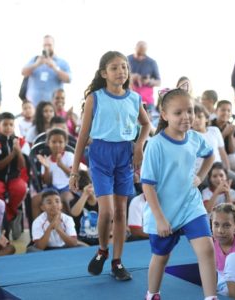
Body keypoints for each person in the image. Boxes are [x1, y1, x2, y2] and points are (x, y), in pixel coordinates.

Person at [69, 51, 151, 281]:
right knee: (106, 211)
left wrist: (139, 145)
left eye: (124, 67)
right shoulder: (95, 98)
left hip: (125, 154)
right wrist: (75, 170)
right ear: (104, 73)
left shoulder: (134, 98)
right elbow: (83, 136)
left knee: (120, 212)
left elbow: (146, 125)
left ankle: (117, 261)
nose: (120, 72)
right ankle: (102, 250)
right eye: (114, 68)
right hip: (101, 154)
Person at [140, 84, 217, 300]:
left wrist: (200, 176)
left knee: (207, 250)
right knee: (161, 257)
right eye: (178, 112)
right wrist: (160, 219)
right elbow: (147, 185)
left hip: (191, 206)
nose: (186, 117)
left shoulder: (195, 138)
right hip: (164, 212)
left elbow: (210, 155)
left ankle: (211, 297)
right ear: (164, 115)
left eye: (190, 110)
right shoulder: (155, 145)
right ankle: (152, 293)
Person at [0, 112, 27, 235]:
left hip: (14, 177)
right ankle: (11, 217)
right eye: (5, 124)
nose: (8, 127)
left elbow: (22, 166)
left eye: (11, 125)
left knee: (20, 188)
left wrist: (18, 152)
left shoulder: (20, 142)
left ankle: (9, 215)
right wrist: (12, 154)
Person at [21, 35, 71, 106]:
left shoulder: (61, 62)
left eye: (49, 45)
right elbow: (23, 72)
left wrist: (55, 68)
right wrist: (36, 64)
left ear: (54, 45)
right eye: (45, 45)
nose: (47, 47)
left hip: (52, 108)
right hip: (33, 106)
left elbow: (69, 79)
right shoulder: (35, 59)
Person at [37, 128, 75, 213]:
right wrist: (46, 168)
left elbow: (73, 176)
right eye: (54, 142)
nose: (57, 145)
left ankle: (71, 224)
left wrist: (61, 165)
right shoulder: (47, 160)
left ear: (65, 143)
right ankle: (38, 225)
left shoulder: (69, 156)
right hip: (52, 189)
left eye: (60, 142)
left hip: (67, 187)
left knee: (66, 199)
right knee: (36, 200)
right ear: (48, 143)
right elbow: (47, 182)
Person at [211, 100, 235, 178]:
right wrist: (224, 134)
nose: (226, 113)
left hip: (228, 155)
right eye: (223, 110)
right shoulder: (210, 125)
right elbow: (212, 145)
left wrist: (230, 135)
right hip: (213, 155)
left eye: (229, 111)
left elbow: (232, 150)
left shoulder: (233, 128)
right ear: (216, 111)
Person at [127, 41, 161, 111]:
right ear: (135, 48)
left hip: (147, 102)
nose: (140, 57)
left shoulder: (152, 63)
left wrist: (149, 81)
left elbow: (159, 82)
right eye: (138, 54)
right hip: (129, 100)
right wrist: (132, 77)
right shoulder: (126, 60)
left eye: (143, 54)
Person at [69, 170, 99, 246]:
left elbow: (94, 204)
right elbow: (75, 213)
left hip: (100, 239)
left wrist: (92, 195)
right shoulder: (74, 201)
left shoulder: (100, 199)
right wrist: (84, 195)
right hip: (81, 241)